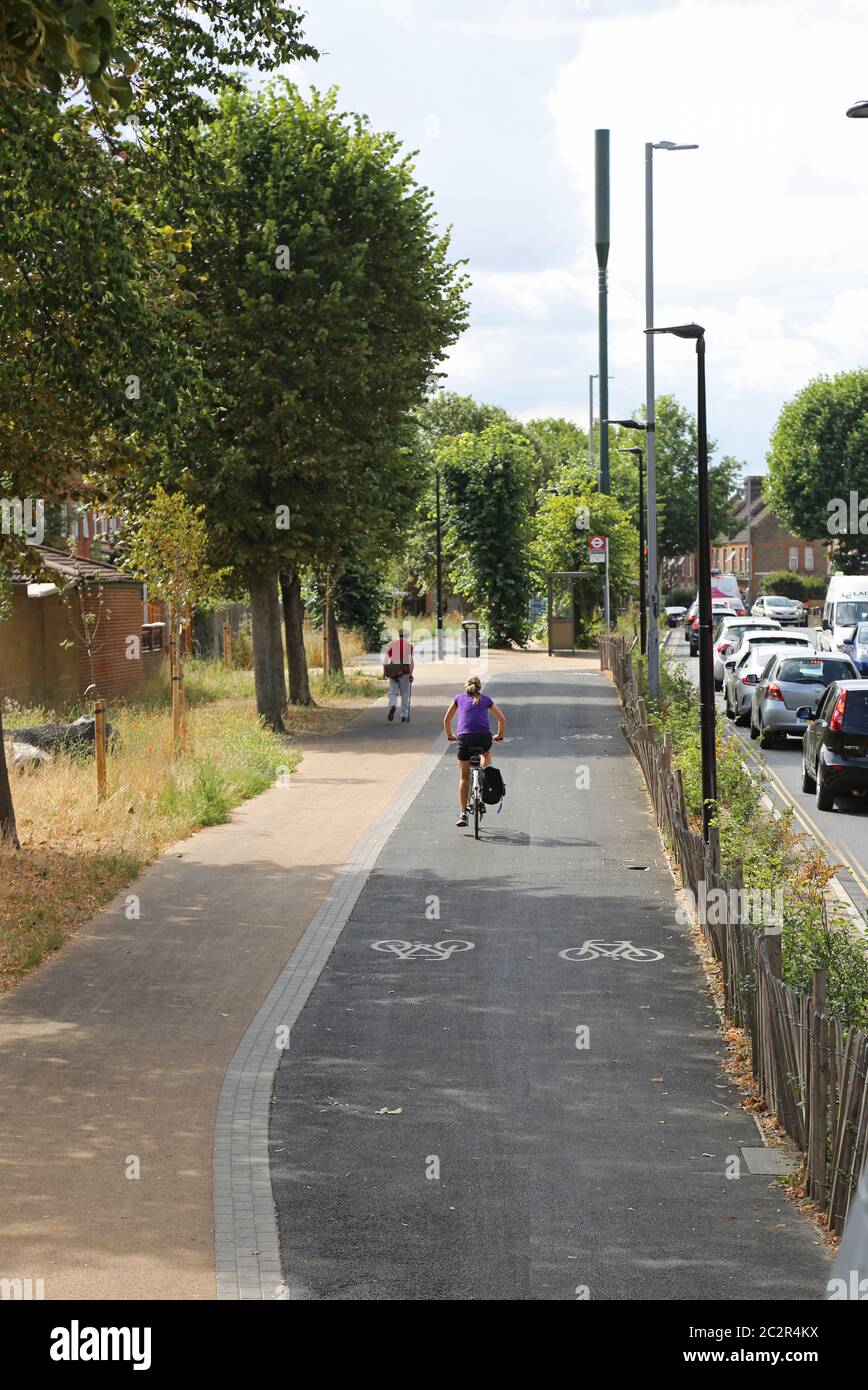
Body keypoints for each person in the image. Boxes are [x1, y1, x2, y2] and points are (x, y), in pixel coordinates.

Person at [443, 676, 506, 827]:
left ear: (466, 687)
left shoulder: (458, 698)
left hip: (464, 739)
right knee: (486, 753)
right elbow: (502, 719)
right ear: (479, 687)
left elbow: (446, 720)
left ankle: (463, 813)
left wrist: (450, 736)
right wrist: (499, 736)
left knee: (464, 777)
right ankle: (484, 774)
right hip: (484, 739)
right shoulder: (486, 700)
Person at [383, 631, 414, 722]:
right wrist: (411, 674)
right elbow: (410, 662)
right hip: (404, 671)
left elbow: (386, 661)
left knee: (392, 692)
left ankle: (392, 705)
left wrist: (385, 672)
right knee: (405, 693)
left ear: (399, 635)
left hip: (393, 671)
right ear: (407, 636)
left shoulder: (392, 645)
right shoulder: (408, 646)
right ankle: (404, 715)